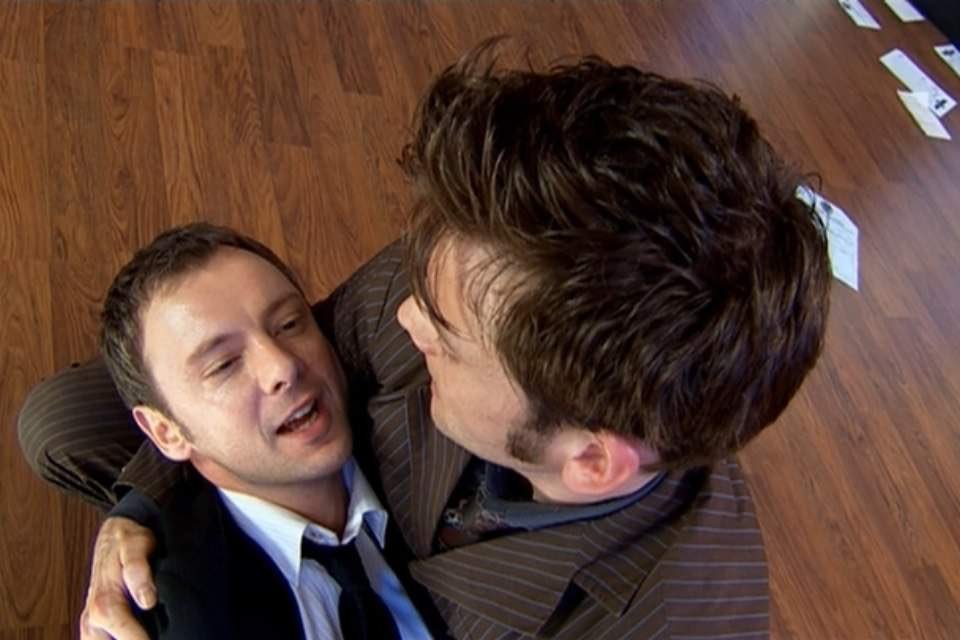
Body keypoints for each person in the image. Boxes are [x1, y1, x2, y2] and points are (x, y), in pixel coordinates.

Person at [18, 43, 832, 639]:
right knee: (64, 419)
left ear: (590, 461)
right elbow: (294, 353)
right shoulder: (487, 264)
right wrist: (144, 508)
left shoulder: (661, 617)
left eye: (444, 335)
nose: (405, 318)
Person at [82, 223, 434, 639]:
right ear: (166, 432)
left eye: (289, 324)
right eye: (224, 365)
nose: (282, 366)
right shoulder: (181, 614)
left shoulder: (418, 422)